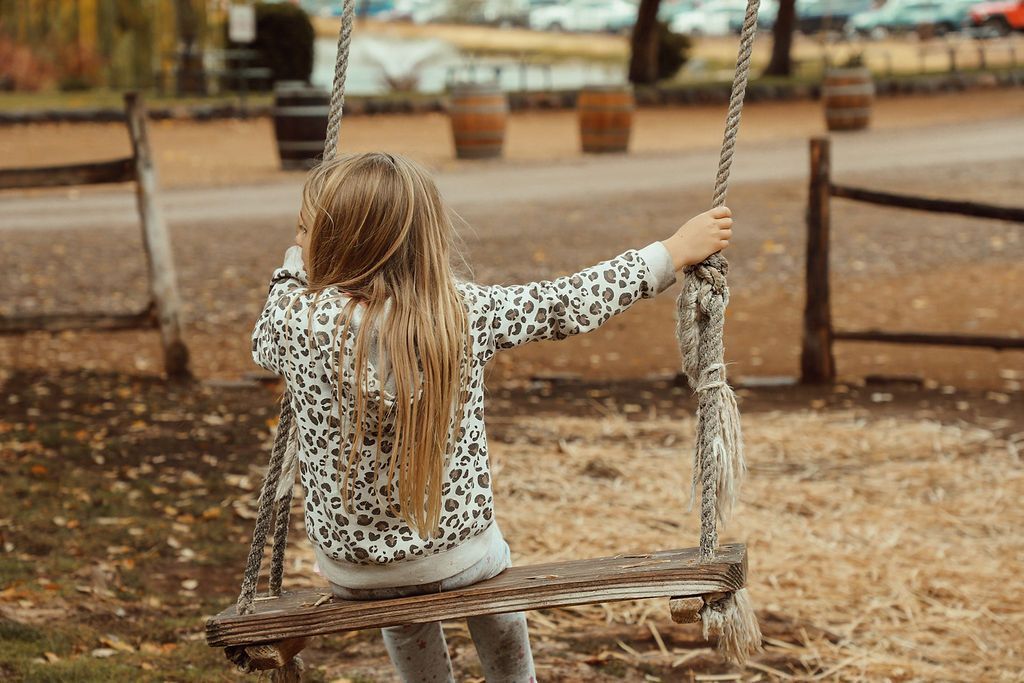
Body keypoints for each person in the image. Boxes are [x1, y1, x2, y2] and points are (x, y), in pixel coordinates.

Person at [252, 152, 733, 682]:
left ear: (338, 244)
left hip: (351, 571)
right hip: (460, 557)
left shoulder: (294, 320)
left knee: (404, 616)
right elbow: (565, 303)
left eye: (304, 231)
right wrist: (671, 253)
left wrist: (293, 271)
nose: (297, 241)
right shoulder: (458, 313)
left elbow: (270, 330)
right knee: (495, 600)